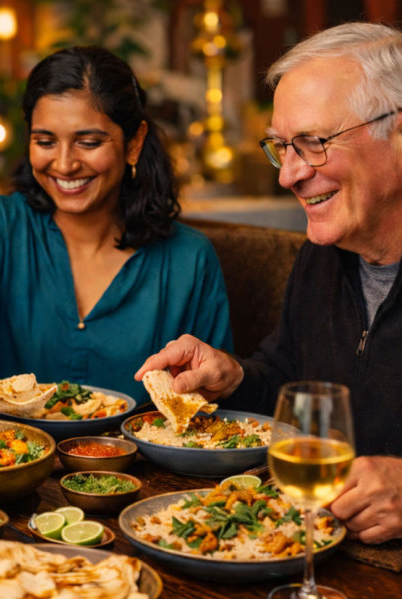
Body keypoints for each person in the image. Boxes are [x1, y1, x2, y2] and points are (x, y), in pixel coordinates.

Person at [136, 23, 402, 544]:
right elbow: (288, 383)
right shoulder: (323, 256)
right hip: (316, 560)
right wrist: (234, 376)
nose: (288, 175)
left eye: (313, 143)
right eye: (282, 147)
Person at [0, 46, 232, 404]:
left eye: (88, 142)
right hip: (7, 453)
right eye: (44, 141)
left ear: (134, 143)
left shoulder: (189, 259)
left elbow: (214, 399)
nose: (64, 164)